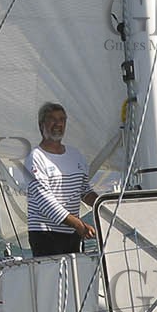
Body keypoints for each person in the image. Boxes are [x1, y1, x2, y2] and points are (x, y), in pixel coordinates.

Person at [23, 101, 98, 256]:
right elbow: (45, 202)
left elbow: (84, 191)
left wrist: (106, 207)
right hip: (45, 234)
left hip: (72, 233)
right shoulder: (35, 158)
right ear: (41, 124)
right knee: (52, 280)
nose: (58, 124)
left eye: (62, 119)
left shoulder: (75, 155)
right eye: (52, 119)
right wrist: (79, 225)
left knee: (74, 279)